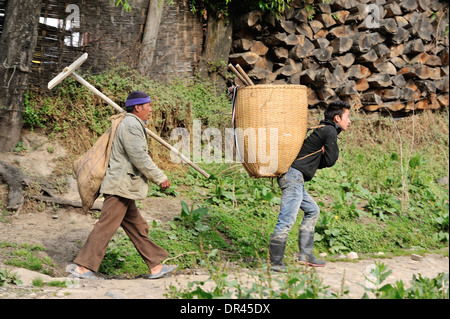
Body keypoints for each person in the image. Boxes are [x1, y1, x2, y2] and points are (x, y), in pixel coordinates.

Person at [70, 90, 177, 279]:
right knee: (105, 227)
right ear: (138, 108)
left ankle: (155, 266)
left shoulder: (131, 123)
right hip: (120, 186)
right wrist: (159, 177)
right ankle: (84, 267)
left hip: (125, 187)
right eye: (148, 106)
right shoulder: (130, 124)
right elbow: (139, 156)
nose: (151, 110)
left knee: (138, 227)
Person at [269, 100, 351, 271]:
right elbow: (330, 160)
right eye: (348, 117)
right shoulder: (329, 131)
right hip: (293, 177)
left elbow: (317, 162)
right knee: (286, 219)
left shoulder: (323, 129)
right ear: (337, 118)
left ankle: (305, 255)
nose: (349, 121)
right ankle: (276, 263)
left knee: (313, 210)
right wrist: (326, 153)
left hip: (294, 177)